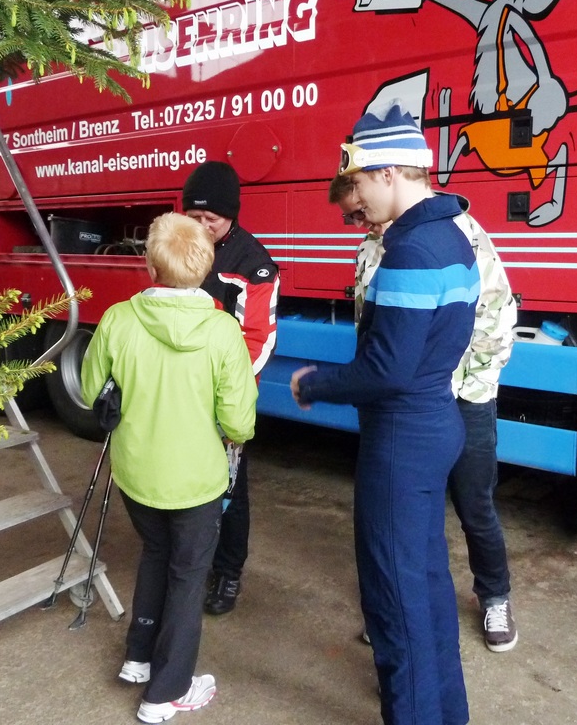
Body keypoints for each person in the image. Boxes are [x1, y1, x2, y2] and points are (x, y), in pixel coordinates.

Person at [291, 102, 479, 725]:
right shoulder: (452, 236)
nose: (358, 202)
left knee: (394, 595)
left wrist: (317, 383)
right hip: (435, 421)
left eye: (359, 184)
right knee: (426, 583)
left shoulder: (410, 252)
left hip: (401, 437)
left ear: (389, 172)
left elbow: (387, 369)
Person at [329, 171, 520, 652]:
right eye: (352, 218)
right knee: (409, 517)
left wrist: (449, 389)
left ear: (381, 184)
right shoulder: (372, 248)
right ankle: (399, 609)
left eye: (360, 211)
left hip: (462, 396)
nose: (361, 223)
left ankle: (494, 595)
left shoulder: (459, 233)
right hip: (400, 406)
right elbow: (373, 331)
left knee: (475, 505)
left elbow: (496, 320)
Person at [81, 213, 258, 724]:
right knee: (188, 575)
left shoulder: (117, 319)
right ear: (207, 266)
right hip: (197, 482)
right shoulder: (223, 331)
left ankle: (138, 657)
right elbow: (239, 422)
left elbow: (91, 390)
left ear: (149, 264)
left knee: (155, 553)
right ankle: (166, 692)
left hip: (136, 475)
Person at [180, 160, 279, 616]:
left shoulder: (254, 264)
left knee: (229, 491)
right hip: (179, 393)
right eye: (193, 217)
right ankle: (189, 559)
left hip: (224, 399)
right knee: (184, 480)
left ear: (231, 215)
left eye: (211, 219)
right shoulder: (179, 247)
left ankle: (228, 571)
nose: (201, 227)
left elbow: (258, 341)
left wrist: (223, 394)